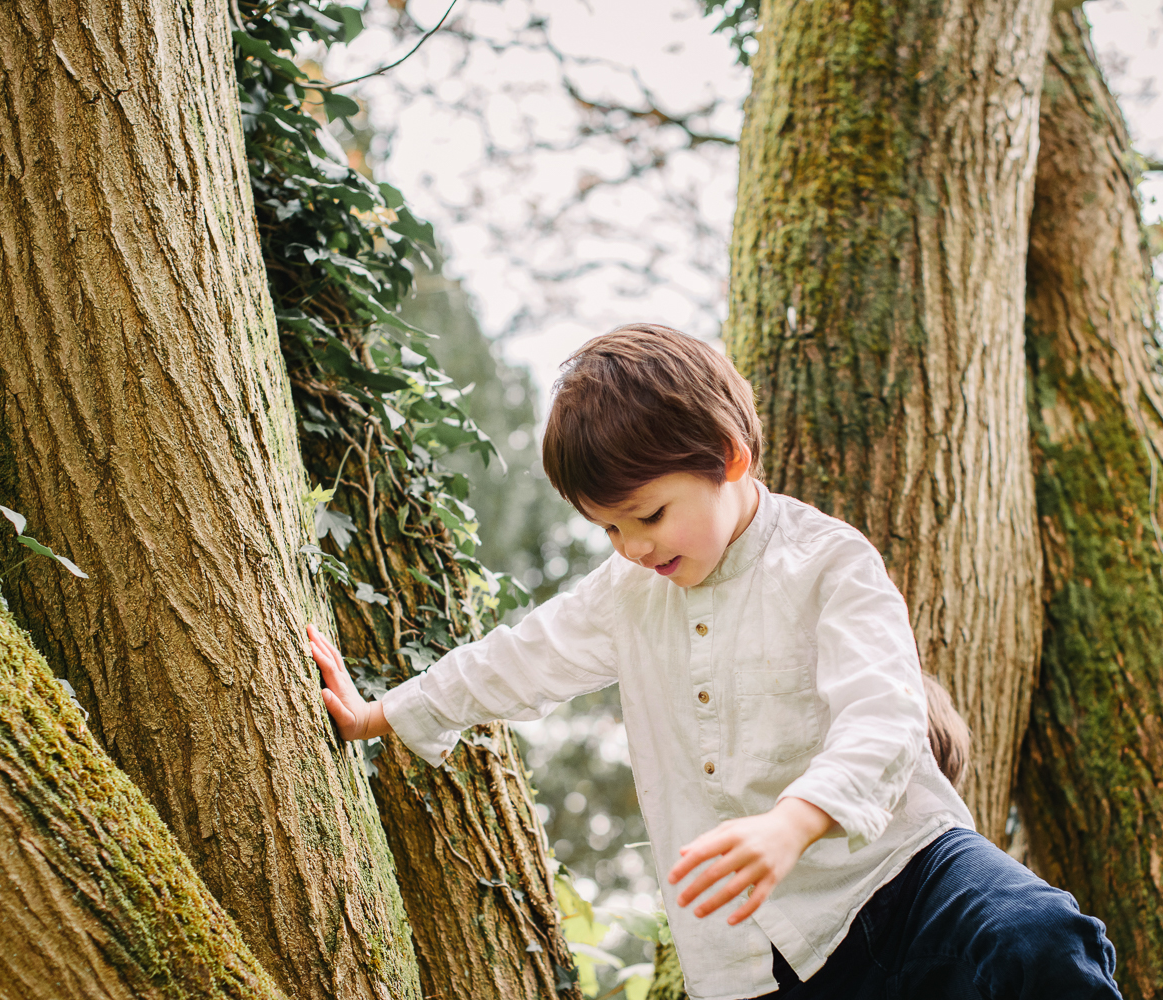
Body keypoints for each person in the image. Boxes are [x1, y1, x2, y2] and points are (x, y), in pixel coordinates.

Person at [310, 324, 1121, 1000]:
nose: (632, 547)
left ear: (729, 457)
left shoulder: (828, 562)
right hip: (755, 956)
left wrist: (792, 823)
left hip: (905, 876)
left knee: (1038, 938)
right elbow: (519, 659)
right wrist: (375, 714)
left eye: (649, 515)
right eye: (609, 530)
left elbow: (887, 716)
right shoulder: (627, 592)